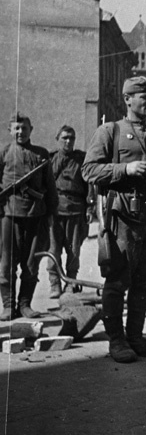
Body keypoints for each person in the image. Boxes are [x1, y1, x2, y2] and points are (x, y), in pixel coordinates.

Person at [82, 76, 146, 363]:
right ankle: (116, 340)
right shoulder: (109, 131)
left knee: (145, 281)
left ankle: (135, 335)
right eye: (142, 96)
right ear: (127, 99)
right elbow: (89, 171)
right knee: (117, 280)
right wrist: (126, 168)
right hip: (121, 218)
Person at [0, 113, 57, 320]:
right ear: (10, 130)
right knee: (6, 264)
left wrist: (51, 213)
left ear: (31, 130)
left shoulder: (41, 155)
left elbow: (50, 187)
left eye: (24, 128)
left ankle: (25, 305)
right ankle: (8, 306)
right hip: (9, 215)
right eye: (16, 128)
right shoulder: (4, 153)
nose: (20, 132)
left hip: (36, 215)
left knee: (31, 263)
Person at [47, 125, 92, 299]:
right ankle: (55, 284)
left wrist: (90, 208)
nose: (68, 141)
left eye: (71, 138)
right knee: (53, 250)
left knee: (74, 251)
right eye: (65, 137)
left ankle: (71, 283)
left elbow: (90, 185)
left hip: (75, 208)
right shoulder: (50, 160)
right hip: (55, 210)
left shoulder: (81, 159)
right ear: (57, 139)